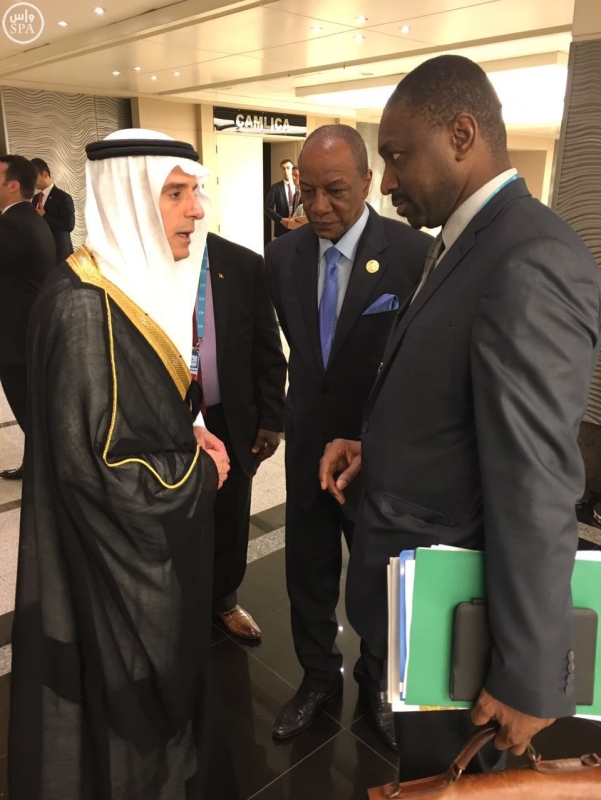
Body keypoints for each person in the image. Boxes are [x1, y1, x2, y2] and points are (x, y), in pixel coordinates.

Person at [319, 55, 601, 782]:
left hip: (467, 626)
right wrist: (377, 445)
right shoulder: (461, 243)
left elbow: (536, 481)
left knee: (459, 784)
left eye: (396, 156)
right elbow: (455, 401)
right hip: (425, 605)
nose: (386, 182)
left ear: (462, 135)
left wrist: (529, 676)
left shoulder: (529, 256)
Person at [9, 129, 235, 800]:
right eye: (175, 193)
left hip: (133, 555)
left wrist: (184, 432)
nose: (196, 210)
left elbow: (130, 407)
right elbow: (100, 470)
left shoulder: (121, 286)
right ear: (129, 198)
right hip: (105, 569)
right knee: (121, 727)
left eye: (196, 191)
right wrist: (198, 474)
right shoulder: (83, 307)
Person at [266, 124, 431, 748]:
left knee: (382, 578)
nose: (318, 206)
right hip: (309, 444)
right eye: (307, 190)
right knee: (306, 571)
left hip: (378, 454)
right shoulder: (282, 256)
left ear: (367, 181)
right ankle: (317, 678)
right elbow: (304, 353)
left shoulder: (414, 255)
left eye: (334, 190)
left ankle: (379, 683)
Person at [193, 232, 286, 640]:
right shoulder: (143, 259)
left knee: (230, 515)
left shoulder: (243, 264)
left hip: (228, 414)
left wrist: (272, 417)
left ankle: (224, 599)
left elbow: (268, 349)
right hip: (168, 419)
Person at [0, 155, 55, 481]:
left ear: (13, 185)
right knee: (34, 409)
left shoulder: (13, 225)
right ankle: (38, 465)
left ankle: (48, 474)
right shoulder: (31, 218)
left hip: (16, 339)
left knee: (29, 410)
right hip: (28, 333)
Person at [31, 157, 75, 265]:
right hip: (42, 253)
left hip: (60, 254)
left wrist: (45, 216)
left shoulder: (63, 197)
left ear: (45, 175)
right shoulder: (35, 198)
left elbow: (69, 225)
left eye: (34, 177)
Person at [264, 158, 297, 238]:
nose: (286, 171)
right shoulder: (275, 188)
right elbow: (267, 208)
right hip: (282, 229)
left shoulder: (299, 186)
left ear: (292, 169)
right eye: (283, 168)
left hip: (298, 228)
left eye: (288, 168)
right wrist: (281, 220)